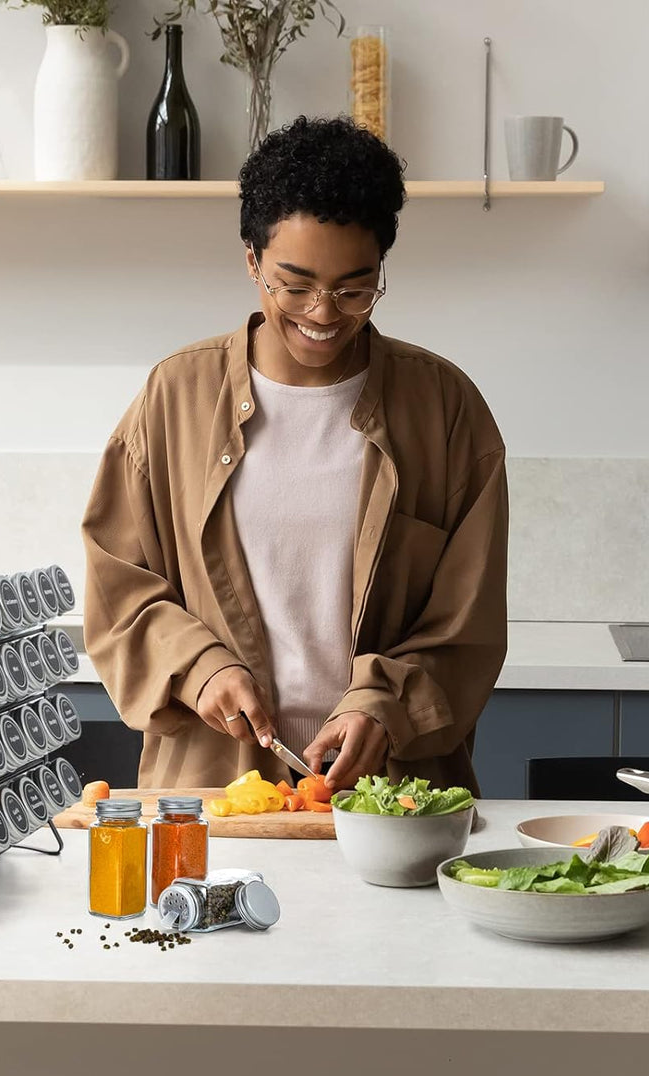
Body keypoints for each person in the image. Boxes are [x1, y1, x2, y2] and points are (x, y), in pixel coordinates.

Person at [82, 116, 508, 794]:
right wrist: (200, 667)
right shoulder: (175, 397)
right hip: (216, 789)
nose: (324, 312)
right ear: (251, 260)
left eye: (354, 287)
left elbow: (468, 628)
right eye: (295, 282)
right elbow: (119, 594)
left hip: (395, 798)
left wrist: (384, 706)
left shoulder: (446, 409)